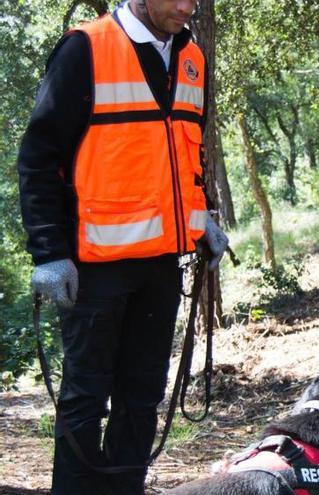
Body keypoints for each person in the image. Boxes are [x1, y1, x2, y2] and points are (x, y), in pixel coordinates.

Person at [17, 1, 227, 493]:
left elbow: (186, 154)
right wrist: (48, 250)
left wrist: (204, 222)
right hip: (94, 269)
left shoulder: (192, 55)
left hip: (161, 267)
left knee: (142, 396)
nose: (187, 6)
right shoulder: (84, 49)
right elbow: (39, 158)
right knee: (85, 398)